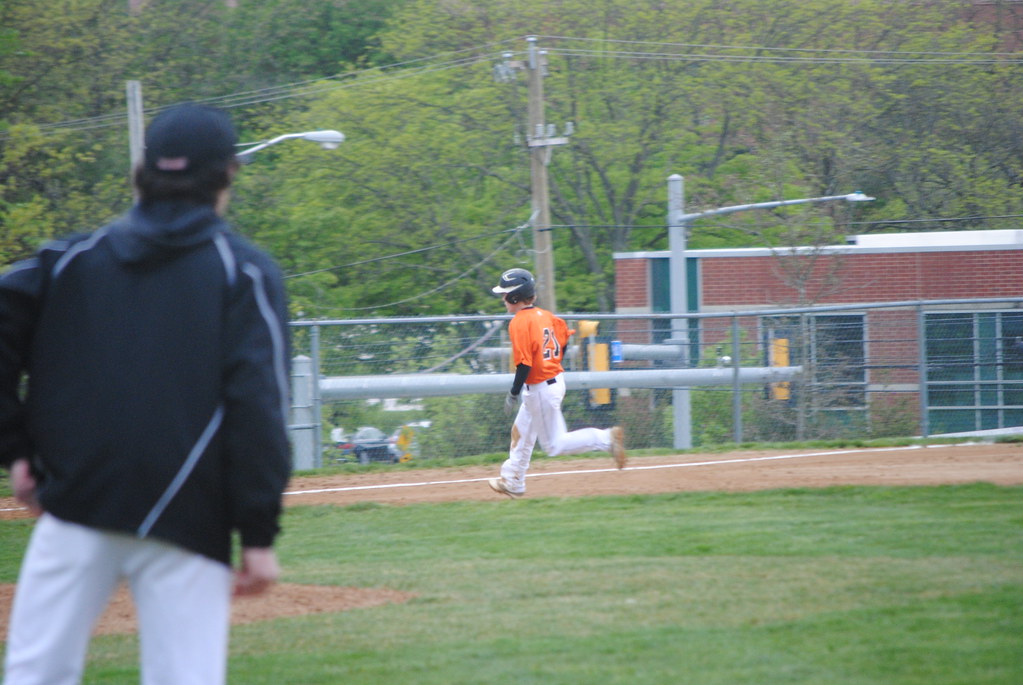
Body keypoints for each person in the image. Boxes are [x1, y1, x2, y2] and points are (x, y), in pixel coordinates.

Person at [0, 104, 292, 685]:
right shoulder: (243, 273)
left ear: (142, 171)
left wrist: (18, 451)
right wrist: (257, 534)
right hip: (189, 516)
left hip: (77, 503)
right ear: (228, 172)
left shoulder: (70, 262)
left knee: (34, 674)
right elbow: (258, 410)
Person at [488, 268, 626, 498]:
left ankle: (606, 439)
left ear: (515, 297)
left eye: (505, 294)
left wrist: (513, 392)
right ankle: (513, 480)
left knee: (554, 445)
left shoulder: (519, 322)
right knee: (521, 431)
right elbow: (561, 340)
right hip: (553, 381)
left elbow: (524, 365)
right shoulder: (546, 315)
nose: (503, 299)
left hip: (541, 388)